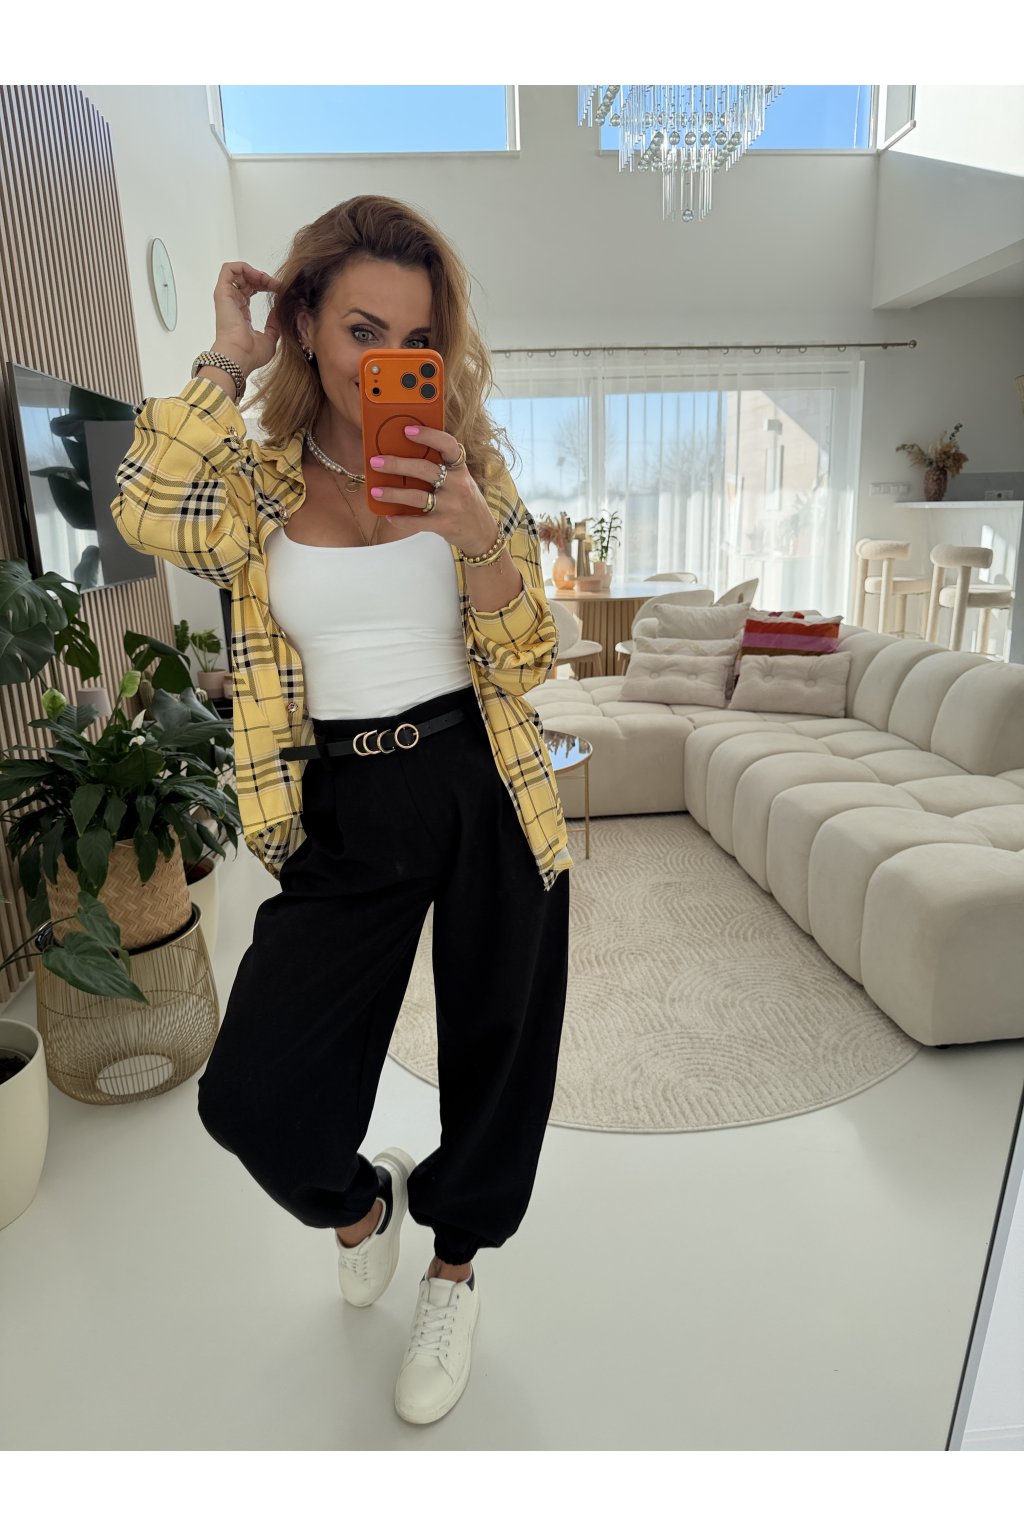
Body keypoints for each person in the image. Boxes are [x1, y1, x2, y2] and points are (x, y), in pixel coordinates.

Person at [110, 194, 573, 1428]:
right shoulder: (253, 487)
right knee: (250, 1099)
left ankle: (455, 1270)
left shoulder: (473, 470)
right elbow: (142, 506)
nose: (385, 363)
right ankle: (365, 1207)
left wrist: (476, 537)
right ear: (304, 320)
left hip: (488, 781)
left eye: (412, 339)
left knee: (499, 1053)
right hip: (343, 799)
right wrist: (224, 358)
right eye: (361, 329)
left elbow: (529, 655)